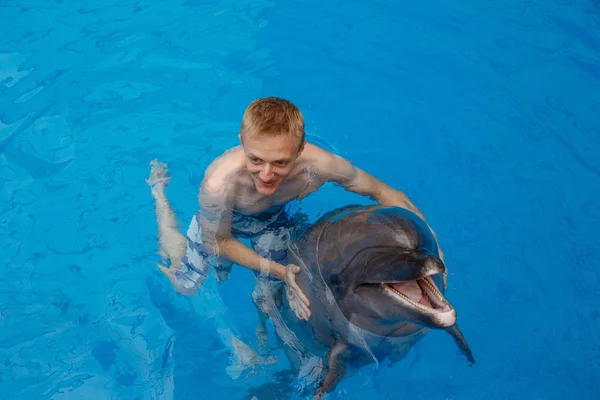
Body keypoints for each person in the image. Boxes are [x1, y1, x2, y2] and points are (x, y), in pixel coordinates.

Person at [146, 97, 446, 350]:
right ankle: (159, 195)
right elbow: (219, 242)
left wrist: (430, 241)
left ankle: (260, 331)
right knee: (185, 284)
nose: (266, 174)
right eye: (256, 160)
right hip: (220, 225)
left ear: (300, 150)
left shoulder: (321, 165)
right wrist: (278, 269)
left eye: (280, 163)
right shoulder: (219, 184)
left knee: (275, 295)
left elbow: (385, 192)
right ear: (242, 144)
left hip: (272, 220)